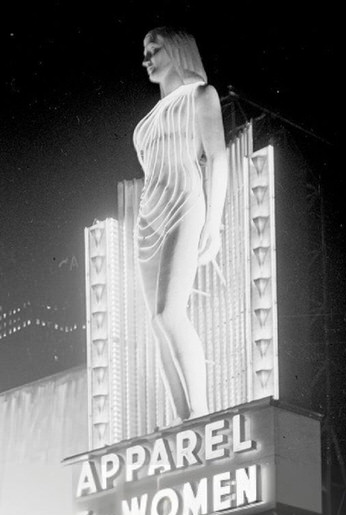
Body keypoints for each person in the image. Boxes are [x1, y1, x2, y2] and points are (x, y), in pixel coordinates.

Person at [132, 27, 230, 424]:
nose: (147, 58)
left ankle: (200, 414)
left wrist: (214, 221)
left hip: (184, 205)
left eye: (154, 49)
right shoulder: (144, 124)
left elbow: (217, 157)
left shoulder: (202, 96)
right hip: (148, 218)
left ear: (177, 49)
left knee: (170, 314)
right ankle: (182, 421)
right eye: (145, 51)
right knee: (157, 324)